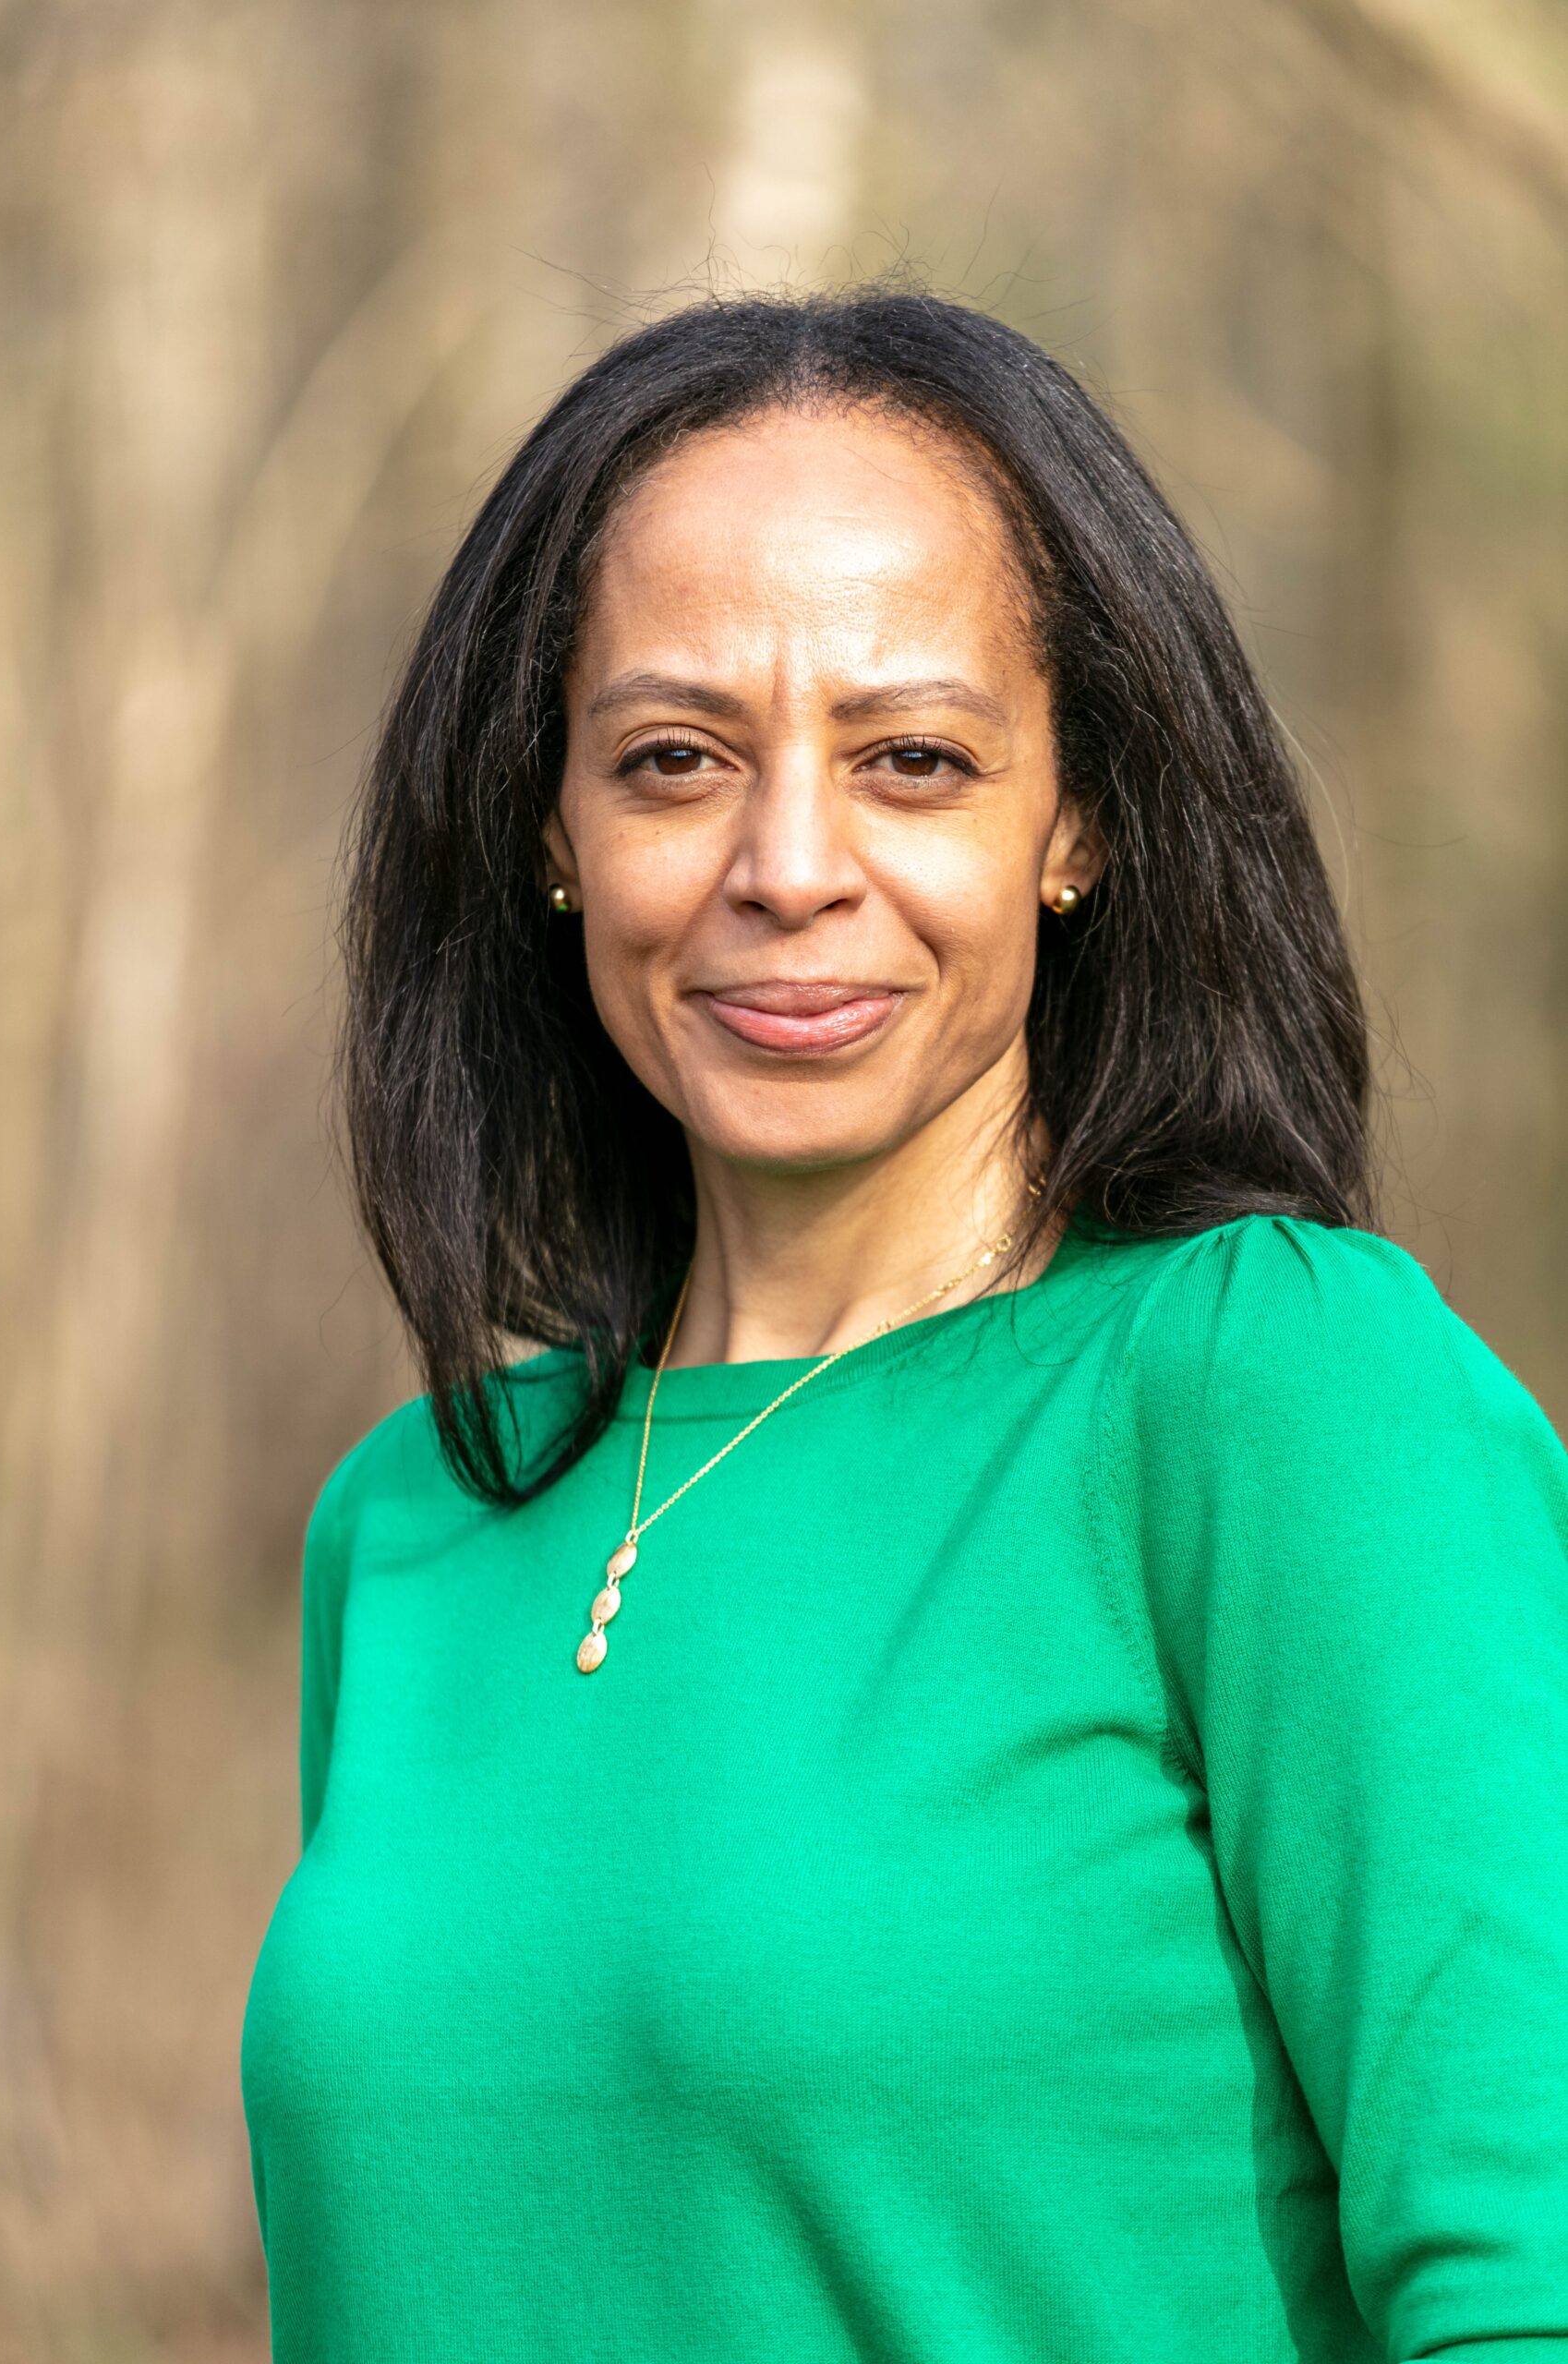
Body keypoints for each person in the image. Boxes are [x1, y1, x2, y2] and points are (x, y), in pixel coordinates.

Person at [239, 286, 1568, 2363]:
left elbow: (1526, 2281)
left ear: (1077, 821)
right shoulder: (413, 1514)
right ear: (546, 829)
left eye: (913, 759)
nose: (787, 864)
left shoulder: (1270, 1392)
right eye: (671, 759)